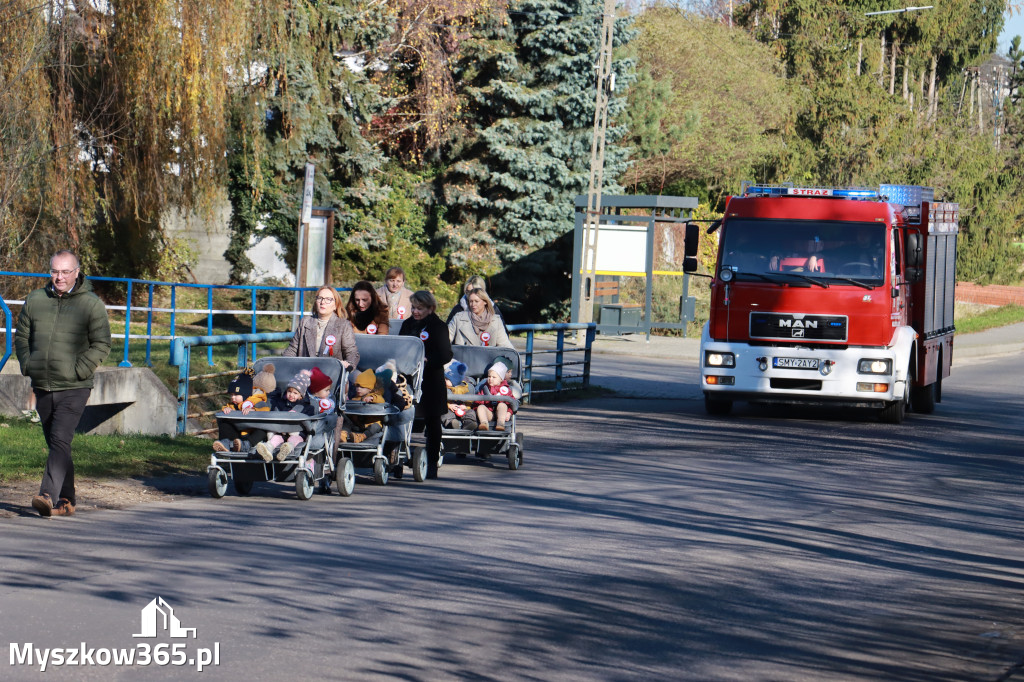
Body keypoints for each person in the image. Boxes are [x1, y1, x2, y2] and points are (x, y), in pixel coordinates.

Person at [15, 250, 111, 518]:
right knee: (58, 444)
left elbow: (102, 343)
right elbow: (22, 336)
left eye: (65, 271)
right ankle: (67, 500)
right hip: (43, 383)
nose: (59, 277)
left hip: (75, 386)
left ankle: (47, 494)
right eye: (55, 271)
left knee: (60, 438)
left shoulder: (90, 304)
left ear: (77, 272)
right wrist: (28, 364)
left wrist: (79, 369)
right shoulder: (35, 300)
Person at [398, 290, 452, 478]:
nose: (415, 311)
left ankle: (431, 463)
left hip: (431, 380)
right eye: (413, 307)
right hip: (408, 378)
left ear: (430, 308)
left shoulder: (438, 326)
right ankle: (396, 459)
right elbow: (400, 346)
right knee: (401, 418)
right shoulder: (407, 324)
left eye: (420, 308)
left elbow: (446, 354)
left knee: (432, 421)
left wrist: (428, 360)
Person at [283, 286, 359, 370]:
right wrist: (284, 364)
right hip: (305, 372)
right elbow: (293, 349)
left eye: (328, 299)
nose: (323, 302)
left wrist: (348, 365)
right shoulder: (305, 322)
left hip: (331, 374)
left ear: (335, 305)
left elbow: (351, 352)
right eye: (320, 298)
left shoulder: (344, 325)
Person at [255, 369, 315, 462]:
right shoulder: (280, 404)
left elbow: (308, 423)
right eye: (289, 391)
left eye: (295, 393)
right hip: (281, 431)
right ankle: (268, 449)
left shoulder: (306, 408)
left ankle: (287, 448)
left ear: (301, 396)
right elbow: (275, 415)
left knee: (294, 439)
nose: (291, 395)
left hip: (297, 432)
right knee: (275, 438)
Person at [213, 366, 271, 453]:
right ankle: (225, 443)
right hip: (238, 433)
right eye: (231, 395)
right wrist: (226, 409)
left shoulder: (256, 401)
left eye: (236, 395)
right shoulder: (233, 405)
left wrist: (254, 410)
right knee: (225, 423)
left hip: (252, 433)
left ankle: (247, 445)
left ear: (245, 394)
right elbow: (227, 407)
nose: (233, 398)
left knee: (264, 429)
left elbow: (266, 410)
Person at [448, 288, 513, 348]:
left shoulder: (496, 320)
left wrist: (514, 357)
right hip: (464, 359)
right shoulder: (458, 318)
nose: (473, 304)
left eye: (476, 301)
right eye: (471, 301)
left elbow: (505, 344)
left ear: (485, 302)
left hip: (488, 360)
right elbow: (445, 340)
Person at [339, 368, 386, 444]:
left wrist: (372, 398)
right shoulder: (355, 398)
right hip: (357, 424)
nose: (358, 389)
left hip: (369, 424)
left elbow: (381, 400)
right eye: (357, 386)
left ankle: (362, 436)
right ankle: (343, 434)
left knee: (377, 425)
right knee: (346, 422)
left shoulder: (375, 395)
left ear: (370, 389)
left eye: (362, 387)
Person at [474, 357, 517, 432]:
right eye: (489, 376)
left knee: (502, 405)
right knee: (480, 407)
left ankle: (500, 424)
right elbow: (478, 402)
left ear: (501, 379)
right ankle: (484, 423)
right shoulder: (484, 388)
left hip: (501, 414)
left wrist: (509, 413)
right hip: (489, 414)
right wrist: (479, 406)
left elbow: (512, 403)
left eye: (494, 377)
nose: (490, 379)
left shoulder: (505, 389)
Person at [441, 360, 473, 429]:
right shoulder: (443, 388)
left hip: (462, 409)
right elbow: (439, 400)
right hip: (449, 409)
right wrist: (449, 405)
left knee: (470, 412)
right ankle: (451, 423)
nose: (444, 380)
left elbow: (469, 400)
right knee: (444, 412)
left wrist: (465, 406)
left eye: (446, 379)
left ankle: (469, 423)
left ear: (454, 381)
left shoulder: (465, 388)